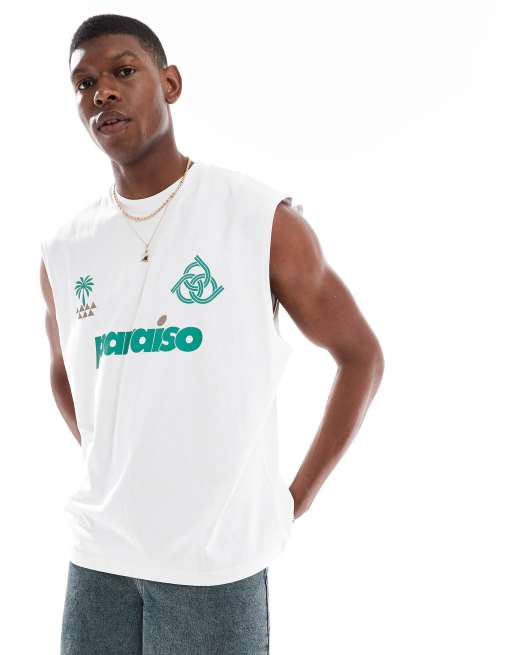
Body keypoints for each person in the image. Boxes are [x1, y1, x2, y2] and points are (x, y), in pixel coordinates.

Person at [40, 13, 385, 655]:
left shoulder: (256, 217)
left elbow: (359, 356)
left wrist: (295, 499)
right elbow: (65, 372)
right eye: (84, 83)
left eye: (122, 71)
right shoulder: (64, 250)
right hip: (99, 559)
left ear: (169, 83)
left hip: (214, 565)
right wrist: (114, 458)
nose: (102, 92)